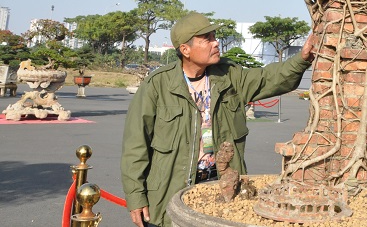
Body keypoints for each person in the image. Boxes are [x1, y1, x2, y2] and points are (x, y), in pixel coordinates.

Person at [121, 12, 315, 227]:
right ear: (185, 49)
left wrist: (302, 59)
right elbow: (135, 145)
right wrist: (136, 196)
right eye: (207, 39)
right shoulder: (157, 85)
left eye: (214, 36)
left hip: (220, 190)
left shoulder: (229, 76)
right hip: (169, 193)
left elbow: (267, 79)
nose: (216, 43)